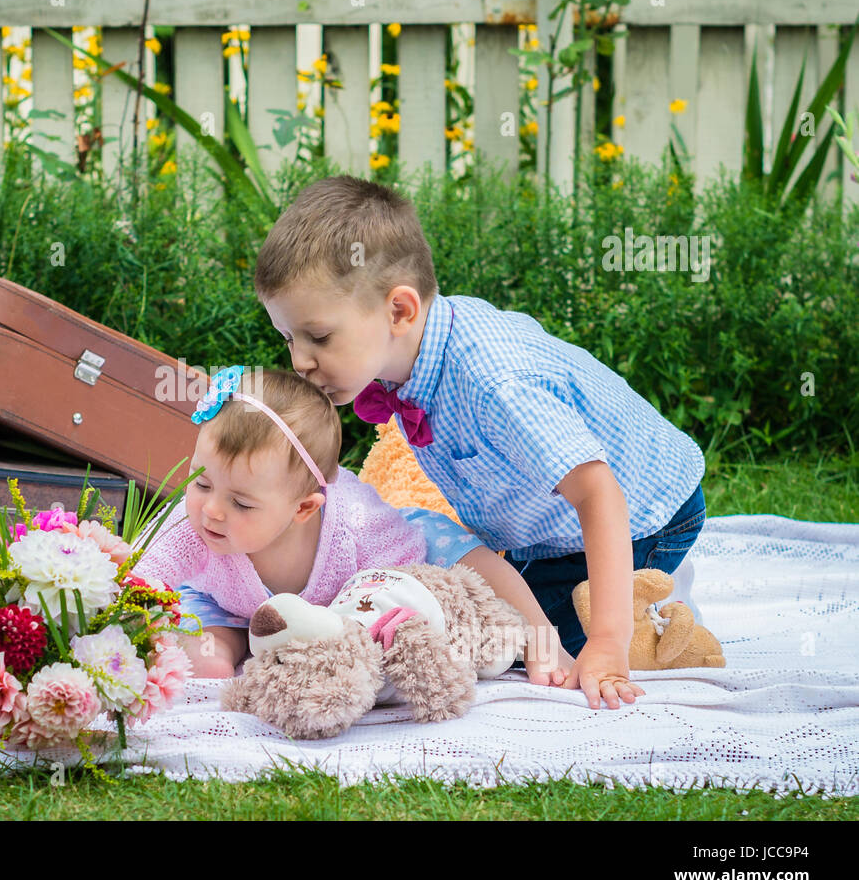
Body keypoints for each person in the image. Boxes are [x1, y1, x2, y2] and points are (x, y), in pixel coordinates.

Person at [253, 176, 708, 710]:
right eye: (289, 339)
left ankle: (649, 606)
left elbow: (598, 492)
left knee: (521, 642)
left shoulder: (495, 385)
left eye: (319, 337)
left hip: (645, 516)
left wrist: (608, 643)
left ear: (399, 311)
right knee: (468, 599)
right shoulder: (404, 356)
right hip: (547, 532)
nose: (299, 361)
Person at [133, 366, 577, 683]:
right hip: (231, 603)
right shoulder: (193, 524)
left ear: (303, 508)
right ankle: (248, 647)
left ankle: (542, 640)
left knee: (462, 553)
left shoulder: (358, 526)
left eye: (241, 503)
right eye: (202, 482)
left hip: (362, 583)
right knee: (207, 663)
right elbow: (143, 576)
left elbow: (408, 579)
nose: (211, 510)